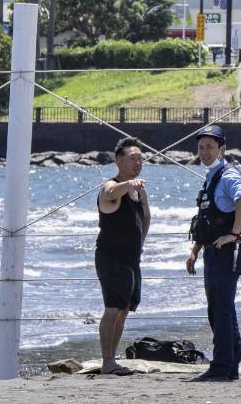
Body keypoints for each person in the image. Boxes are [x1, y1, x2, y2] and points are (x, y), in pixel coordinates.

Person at [185, 125, 241, 381]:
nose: (204, 152)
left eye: (210, 147)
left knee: (220, 310)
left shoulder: (227, 175)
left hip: (227, 251)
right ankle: (231, 364)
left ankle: (222, 367)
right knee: (222, 309)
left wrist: (234, 233)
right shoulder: (211, 176)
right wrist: (195, 251)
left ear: (222, 148)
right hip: (213, 251)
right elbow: (206, 220)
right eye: (201, 147)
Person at [95, 137, 150, 376]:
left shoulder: (139, 189)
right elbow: (108, 193)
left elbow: (145, 217)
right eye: (132, 158)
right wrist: (128, 185)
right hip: (111, 258)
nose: (137, 162)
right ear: (118, 161)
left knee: (124, 310)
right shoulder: (113, 186)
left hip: (131, 259)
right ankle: (107, 362)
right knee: (112, 309)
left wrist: (140, 243)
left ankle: (113, 360)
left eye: (140, 158)